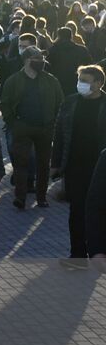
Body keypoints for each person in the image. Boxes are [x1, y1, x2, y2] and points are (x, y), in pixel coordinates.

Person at [51, 65, 106, 269]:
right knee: (76, 212)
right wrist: (55, 164)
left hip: (100, 168)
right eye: (80, 79)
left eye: (86, 80)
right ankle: (78, 255)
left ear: (99, 83)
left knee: (98, 211)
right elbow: (59, 134)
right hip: (75, 167)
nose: (81, 84)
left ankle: (98, 253)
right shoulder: (71, 102)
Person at [0, 45, 62, 209]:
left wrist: (53, 122)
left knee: (43, 164)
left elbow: (59, 102)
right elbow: (4, 103)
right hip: (22, 127)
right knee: (21, 163)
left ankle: (41, 198)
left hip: (45, 128)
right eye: (37, 58)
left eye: (42, 58)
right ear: (27, 60)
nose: (41, 61)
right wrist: (13, 122)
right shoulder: (13, 80)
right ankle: (20, 197)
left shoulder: (50, 80)